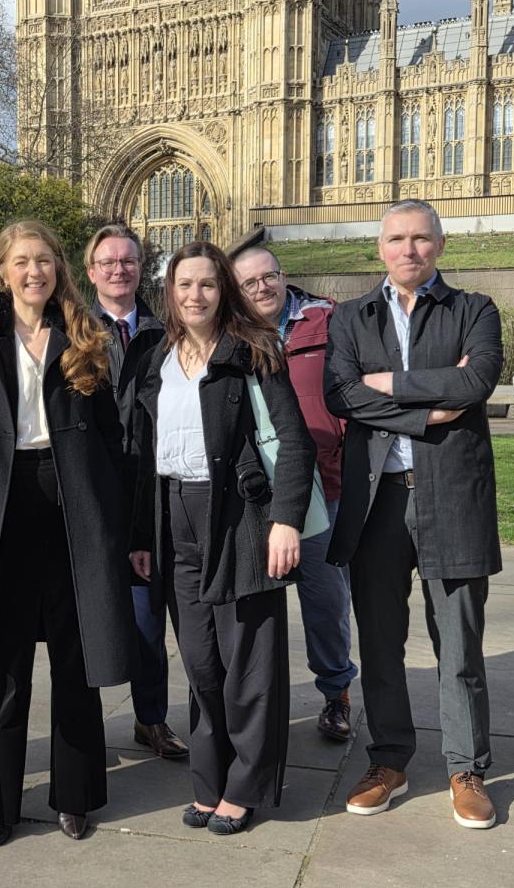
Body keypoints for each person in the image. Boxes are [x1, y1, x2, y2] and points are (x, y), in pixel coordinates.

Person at [0, 220, 134, 846]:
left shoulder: (85, 333)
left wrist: (113, 514)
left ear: (59, 268)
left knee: (76, 653)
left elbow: (113, 434)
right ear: (1, 270)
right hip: (4, 504)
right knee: (4, 660)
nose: (35, 272)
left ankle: (76, 794)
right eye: (22, 261)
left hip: (73, 501)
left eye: (46, 261)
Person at [324, 199, 503, 830]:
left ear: (440, 245)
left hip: (450, 493)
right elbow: (339, 393)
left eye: (421, 239)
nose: (409, 250)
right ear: (380, 248)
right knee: (379, 642)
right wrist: (428, 407)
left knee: (458, 644)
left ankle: (466, 768)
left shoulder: (473, 310)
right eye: (397, 239)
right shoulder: (350, 317)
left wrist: (387, 385)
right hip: (378, 500)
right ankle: (390, 761)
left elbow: (476, 382)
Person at [130, 241, 316, 836]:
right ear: (170, 292)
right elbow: (140, 453)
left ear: (223, 290)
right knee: (202, 663)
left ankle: (246, 787)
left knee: (249, 664)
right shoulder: (157, 355)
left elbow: (295, 440)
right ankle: (210, 782)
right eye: (184, 285)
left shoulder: (253, 350)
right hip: (173, 514)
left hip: (241, 516)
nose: (195, 296)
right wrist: (141, 533)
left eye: (207, 284)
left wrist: (286, 520)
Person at [229, 238, 358, 742]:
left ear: (283, 277)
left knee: (324, 596)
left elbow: (355, 389)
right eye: (249, 282)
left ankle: (335, 693)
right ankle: (261, 705)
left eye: (269, 277)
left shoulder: (329, 322)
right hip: (253, 491)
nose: (262, 287)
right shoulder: (229, 334)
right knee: (255, 604)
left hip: (320, 483)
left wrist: (340, 446)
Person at [86, 223, 188, 760]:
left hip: (157, 486)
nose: (118, 270)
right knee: (92, 619)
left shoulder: (167, 331)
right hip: (99, 492)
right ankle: (79, 733)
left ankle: (151, 719)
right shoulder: (74, 333)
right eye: (108, 262)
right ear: (91, 271)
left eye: (128, 261)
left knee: (155, 615)